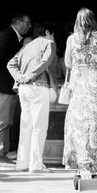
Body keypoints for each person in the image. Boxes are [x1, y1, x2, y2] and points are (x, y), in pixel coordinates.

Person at [62, 8, 97, 174]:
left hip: (79, 82)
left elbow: (67, 63)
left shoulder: (72, 39)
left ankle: (82, 161)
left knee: (79, 123)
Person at [7, 23, 58, 173]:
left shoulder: (27, 47)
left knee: (26, 126)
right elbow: (45, 62)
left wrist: (20, 78)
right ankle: (35, 164)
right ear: (48, 32)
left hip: (23, 89)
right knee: (39, 127)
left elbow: (10, 64)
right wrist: (30, 76)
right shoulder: (49, 43)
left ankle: (22, 163)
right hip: (38, 86)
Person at [0, 13, 32, 166]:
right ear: (19, 23)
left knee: (6, 121)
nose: (29, 26)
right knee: (0, 121)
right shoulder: (6, 35)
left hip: (9, 86)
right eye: (27, 23)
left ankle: (2, 154)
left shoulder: (15, 37)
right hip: (3, 84)